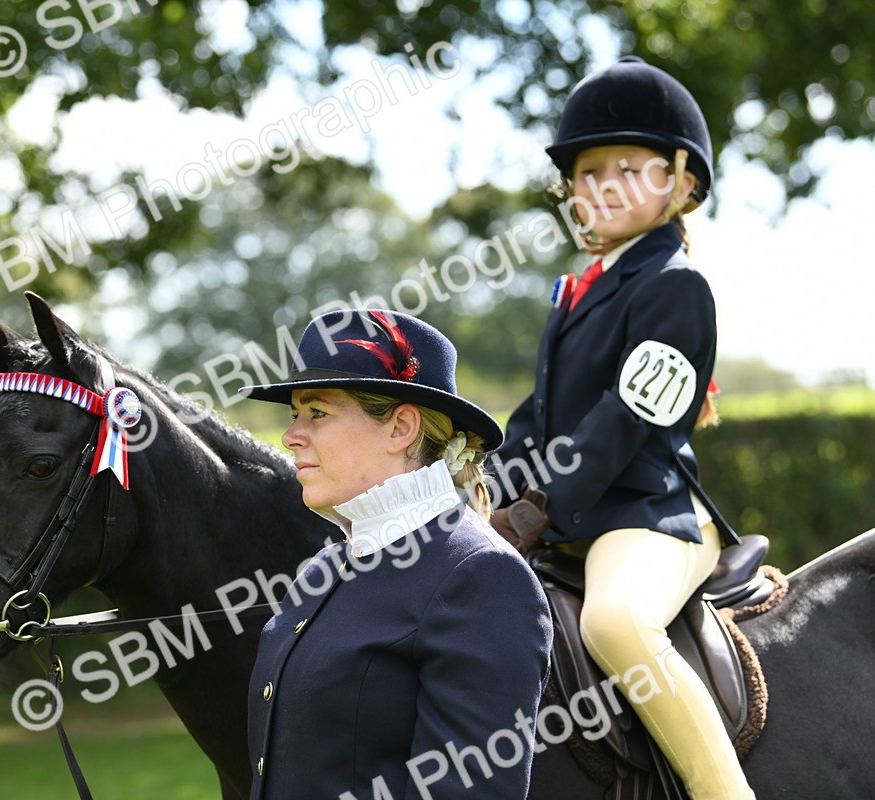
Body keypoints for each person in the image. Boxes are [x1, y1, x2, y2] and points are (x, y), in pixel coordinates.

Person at [488, 57, 756, 799]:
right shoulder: (578, 290)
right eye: (588, 171)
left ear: (679, 180)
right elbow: (539, 418)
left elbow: (625, 418)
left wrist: (538, 507)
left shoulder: (678, 287)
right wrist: (483, 484)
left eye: (626, 168)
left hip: (650, 516)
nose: (602, 185)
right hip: (578, 516)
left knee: (613, 624)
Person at [240, 308, 552, 800]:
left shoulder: (481, 577)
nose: (290, 436)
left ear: (401, 428)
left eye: (317, 413)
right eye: (294, 414)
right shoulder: (324, 567)